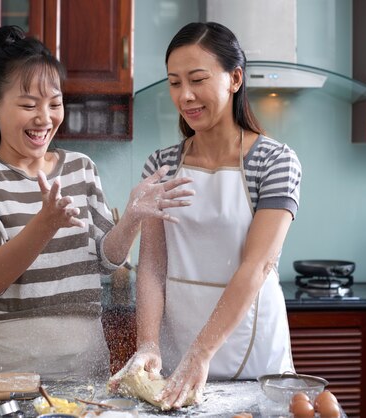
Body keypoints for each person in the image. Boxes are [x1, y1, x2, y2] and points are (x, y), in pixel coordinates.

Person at [0, 25, 194, 381]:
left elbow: (107, 261)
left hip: (86, 363)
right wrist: (44, 224)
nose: (44, 118)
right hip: (8, 370)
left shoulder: (81, 168)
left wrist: (132, 219)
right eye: (28, 105)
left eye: (54, 103)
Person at [113, 22, 302, 409]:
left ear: (234, 79)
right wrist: (148, 344)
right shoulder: (162, 164)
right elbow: (150, 265)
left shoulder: (275, 161)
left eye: (197, 79)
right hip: (177, 354)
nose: (185, 96)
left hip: (254, 363)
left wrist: (202, 352)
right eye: (174, 83)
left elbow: (258, 266)